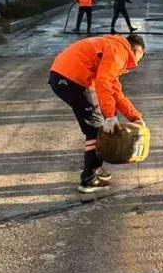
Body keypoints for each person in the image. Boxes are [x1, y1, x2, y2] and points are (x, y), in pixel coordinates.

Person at [49, 34, 147, 192]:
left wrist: (134, 116)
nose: (138, 62)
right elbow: (103, 82)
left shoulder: (113, 47)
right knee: (95, 129)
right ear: (137, 50)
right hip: (72, 79)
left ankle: (96, 168)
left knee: (96, 125)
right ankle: (89, 178)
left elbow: (115, 91)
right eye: (141, 57)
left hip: (64, 76)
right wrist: (110, 116)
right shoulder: (119, 52)